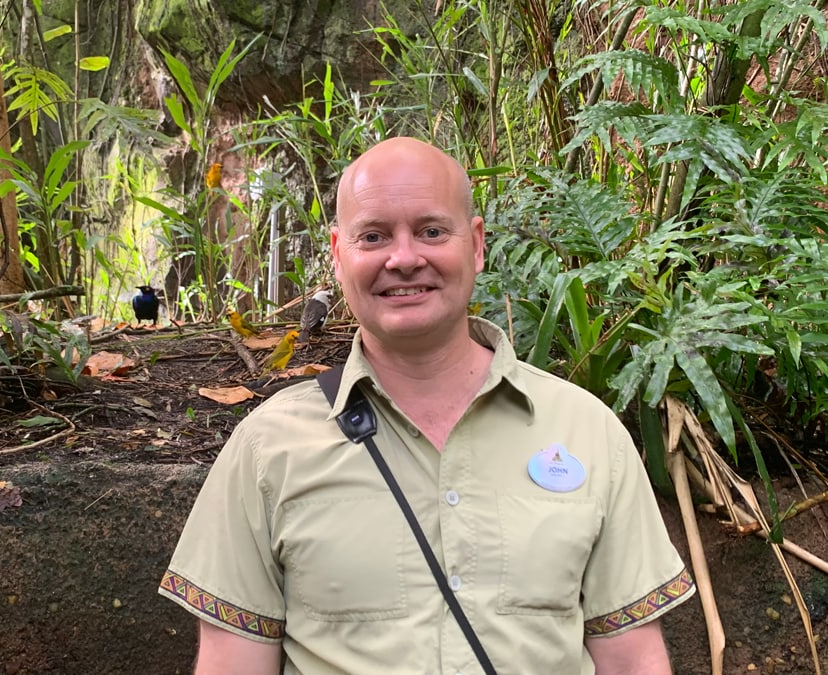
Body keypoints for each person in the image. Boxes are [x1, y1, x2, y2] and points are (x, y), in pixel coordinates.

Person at [159, 137, 696, 674]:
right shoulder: (266, 450)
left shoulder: (588, 433)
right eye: (373, 236)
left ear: (477, 244)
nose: (404, 258)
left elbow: (632, 662)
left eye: (431, 231)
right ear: (339, 254)